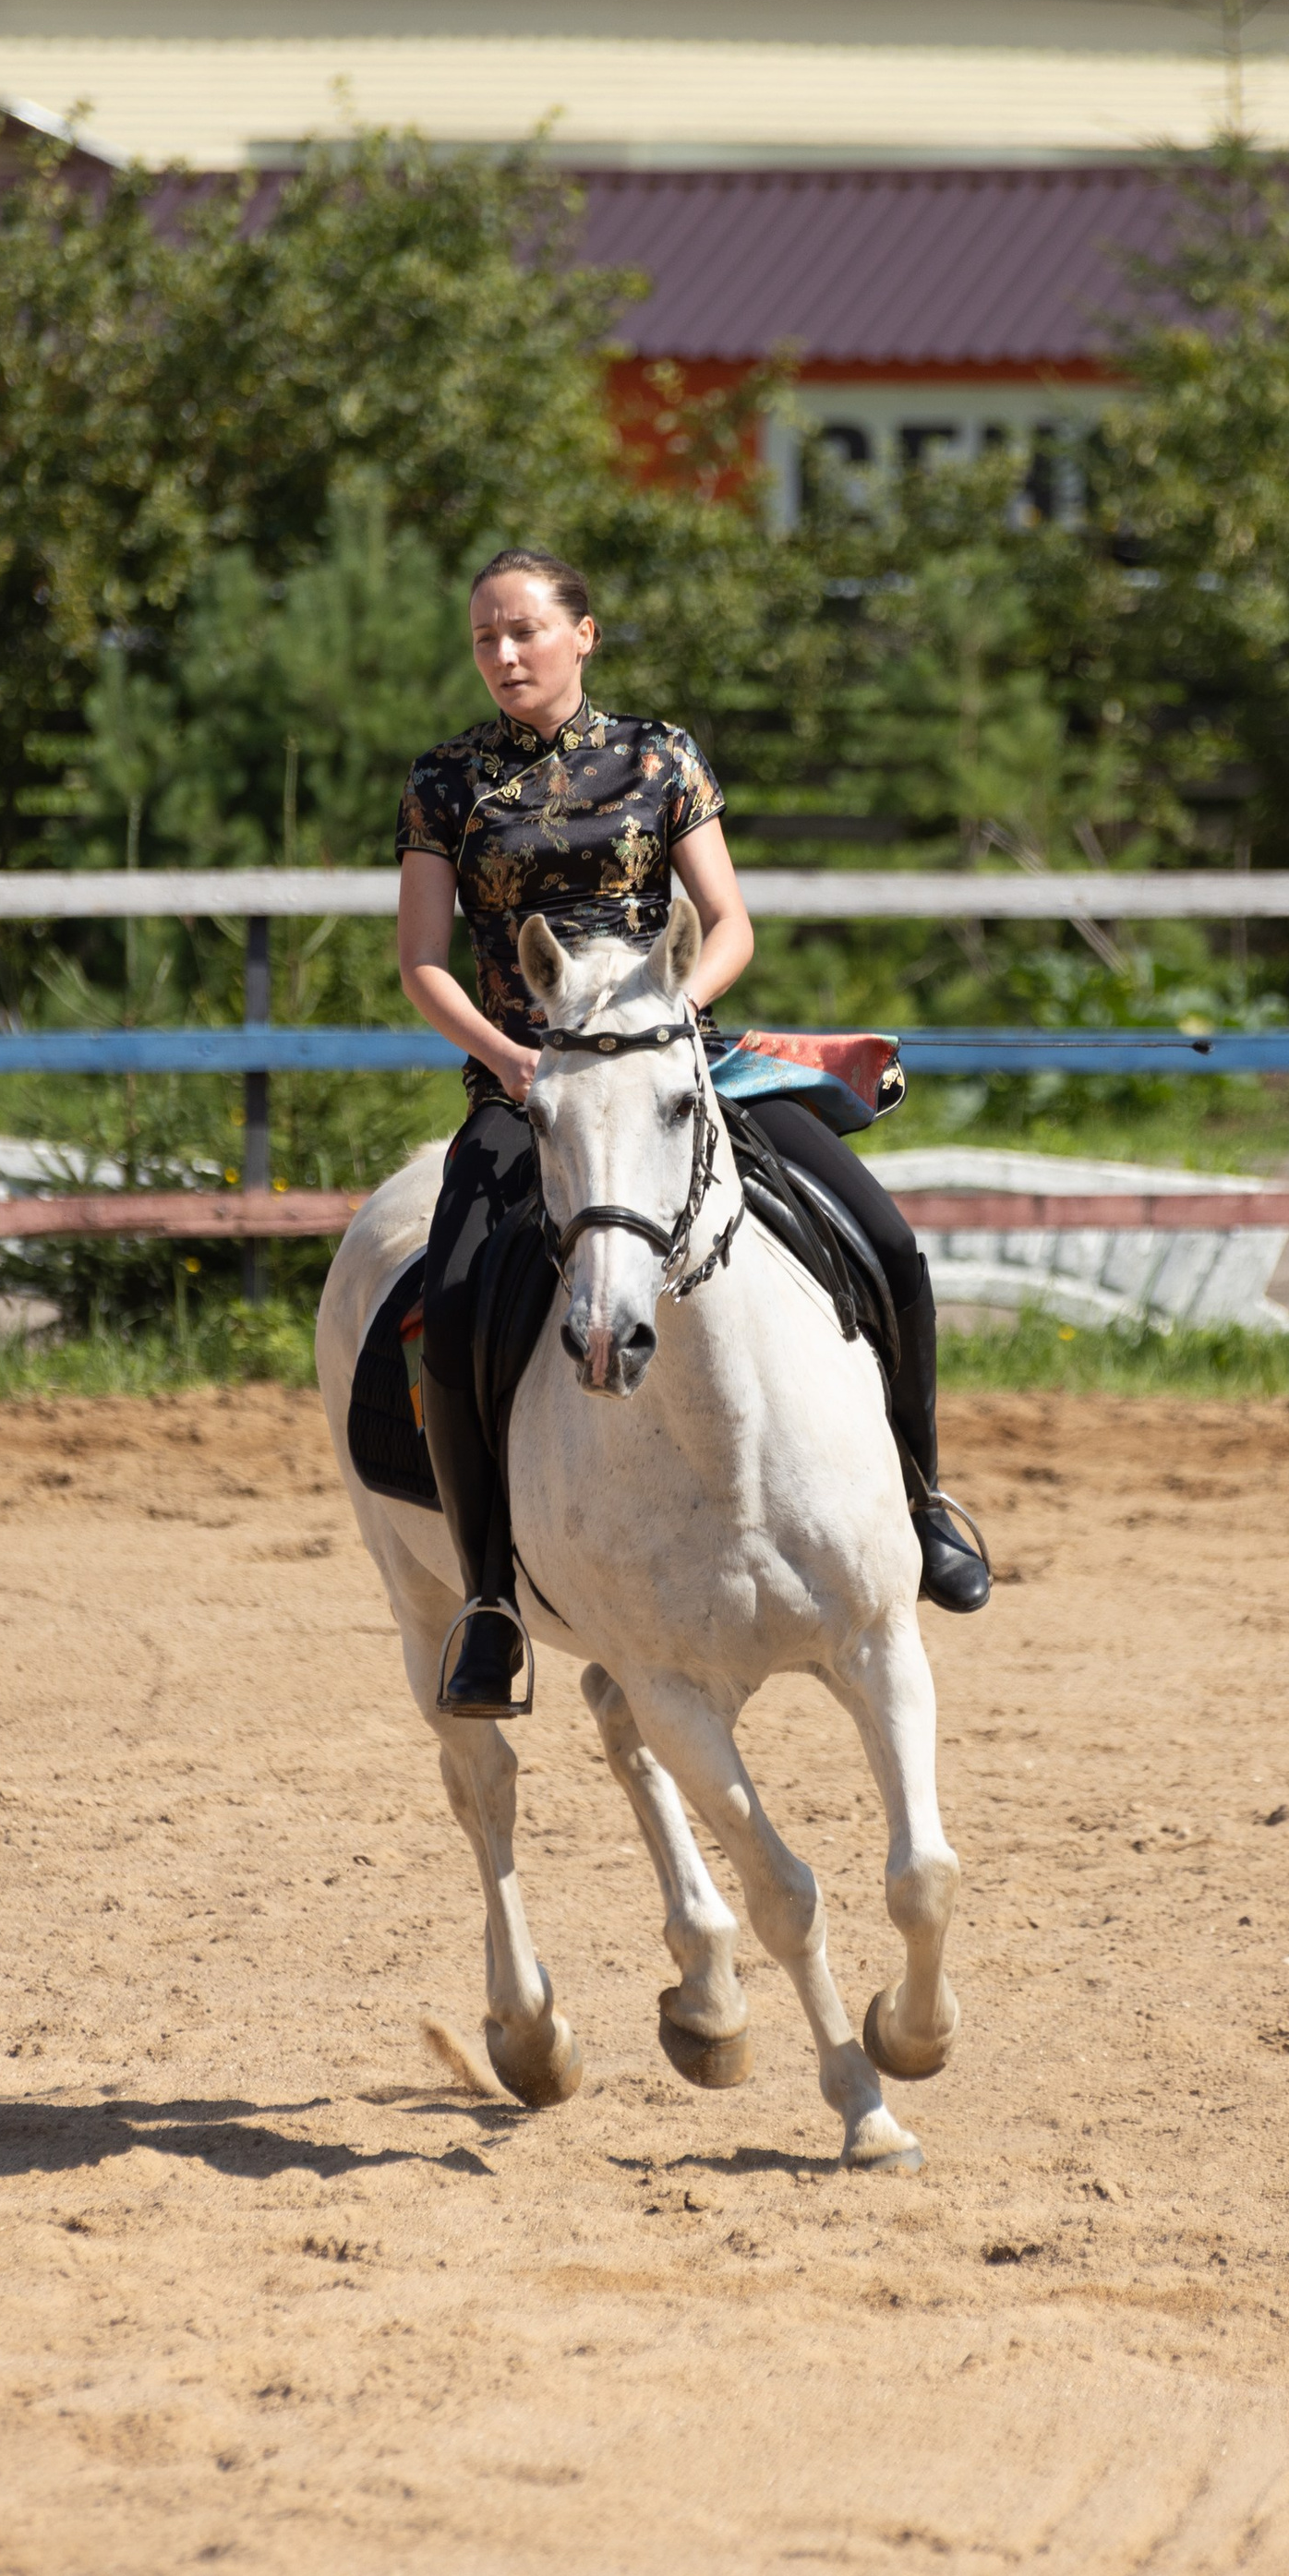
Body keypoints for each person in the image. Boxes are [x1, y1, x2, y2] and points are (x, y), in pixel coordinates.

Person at [396, 545, 991, 1716]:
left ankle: (922, 1500)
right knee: (454, 1307)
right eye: (483, 638)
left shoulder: (660, 755)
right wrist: (515, 1060)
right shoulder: (444, 783)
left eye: (523, 631)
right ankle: (490, 1606)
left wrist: (675, 1020)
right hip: (531, 1088)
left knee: (887, 1241)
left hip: (679, 1073)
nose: (503, 655)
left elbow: (729, 924)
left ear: (583, 634)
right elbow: (421, 961)